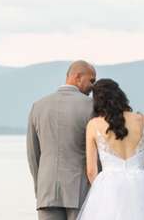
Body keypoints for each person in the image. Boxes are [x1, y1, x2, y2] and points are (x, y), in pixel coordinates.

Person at [77, 78, 144, 220]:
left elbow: (91, 170)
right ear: (120, 95)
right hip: (141, 186)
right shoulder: (143, 120)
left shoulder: (94, 125)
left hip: (109, 187)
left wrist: (100, 191)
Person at [26, 60, 96, 220]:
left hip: (46, 191)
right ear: (78, 77)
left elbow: (33, 155)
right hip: (80, 192)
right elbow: (96, 153)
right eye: (91, 80)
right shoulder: (92, 106)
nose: (93, 86)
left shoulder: (38, 106)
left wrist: (40, 188)